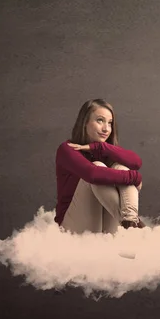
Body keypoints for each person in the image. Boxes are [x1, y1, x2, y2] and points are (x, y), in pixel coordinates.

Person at [54, 98, 146, 234]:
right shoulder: (67, 149)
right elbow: (93, 174)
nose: (106, 129)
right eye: (100, 120)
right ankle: (135, 229)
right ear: (85, 122)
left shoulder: (106, 151)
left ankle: (130, 225)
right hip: (71, 226)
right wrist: (135, 177)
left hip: (106, 224)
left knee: (121, 168)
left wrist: (101, 147)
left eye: (110, 123)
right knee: (99, 167)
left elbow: (136, 162)